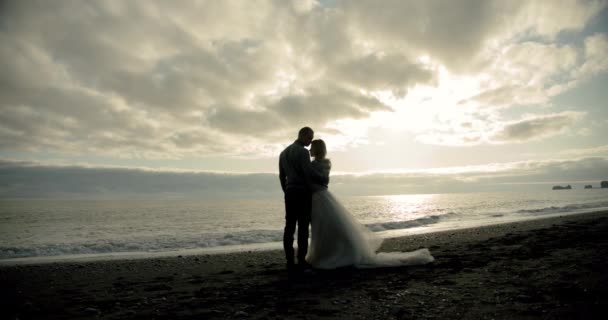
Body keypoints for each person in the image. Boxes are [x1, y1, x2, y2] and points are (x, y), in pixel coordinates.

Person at [306, 139, 435, 269]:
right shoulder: (311, 163)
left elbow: (324, 179)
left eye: (312, 147)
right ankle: (322, 255)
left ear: (317, 149)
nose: (310, 150)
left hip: (322, 196)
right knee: (320, 229)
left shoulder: (325, 163)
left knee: (329, 227)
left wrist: (309, 170)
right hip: (314, 198)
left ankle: (339, 255)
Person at [279, 127, 328, 271]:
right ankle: (301, 260)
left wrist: (286, 190)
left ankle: (289, 261)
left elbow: (282, 176)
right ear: (301, 135)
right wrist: (322, 180)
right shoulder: (303, 152)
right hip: (302, 192)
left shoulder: (283, 153)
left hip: (289, 192)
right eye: (309, 138)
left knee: (289, 226)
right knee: (303, 227)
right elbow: (307, 173)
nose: (310, 141)